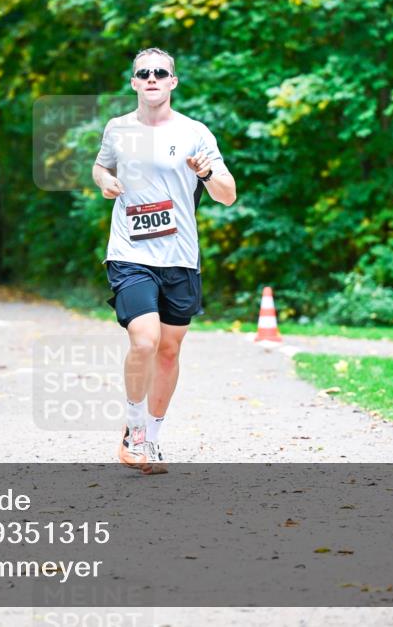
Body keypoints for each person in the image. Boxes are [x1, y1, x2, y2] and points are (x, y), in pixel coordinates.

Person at [92, 47, 237, 474]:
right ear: (134, 83)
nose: (152, 78)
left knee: (169, 351)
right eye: (144, 73)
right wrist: (105, 181)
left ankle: (152, 438)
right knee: (145, 341)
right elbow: (100, 168)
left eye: (160, 72)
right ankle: (133, 431)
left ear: (172, 81)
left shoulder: (195, 132)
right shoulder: (118, 129)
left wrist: (206, 174)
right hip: (130, 252)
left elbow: (228, 195)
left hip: (180, 257)